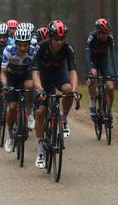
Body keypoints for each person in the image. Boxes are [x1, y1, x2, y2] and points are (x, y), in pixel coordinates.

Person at [32, 19, 78, 169]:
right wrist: (39, 89)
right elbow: (35, 72)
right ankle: (40, 150)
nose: (60, 42)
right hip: (43, 77)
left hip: (59, 74)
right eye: (56, 39)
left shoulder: (67, 48)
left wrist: (75, 89)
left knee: (67, 90)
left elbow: (72, 72)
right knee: (40, 111)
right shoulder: (41, 47)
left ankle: (63, 119)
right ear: (50, 38)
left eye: (62, 39)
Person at [1, 28, 36, 152]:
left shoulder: (33, 51)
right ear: (15, 43)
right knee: (12, 107)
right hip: (12, 77)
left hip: (26, 75)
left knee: (30, 85)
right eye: (20, 45)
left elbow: (37, 71)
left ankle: (30, 111)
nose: (22, 48)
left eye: (25, 45)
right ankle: (10, 134)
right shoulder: (8, 50)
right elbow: (3, 73)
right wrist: (5, 85)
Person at [84, 18, 118, 120]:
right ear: (98, 32)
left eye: (107, 33)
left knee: (110, 87)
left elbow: (113, 54)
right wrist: (89, 72)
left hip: (103, 62)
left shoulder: (110, 38)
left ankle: (108, 111)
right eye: (103, 33)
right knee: (94, 74)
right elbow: (87, 54)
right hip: (92, 61)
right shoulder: (91, 37)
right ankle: (92, 103)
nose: (105, 35)